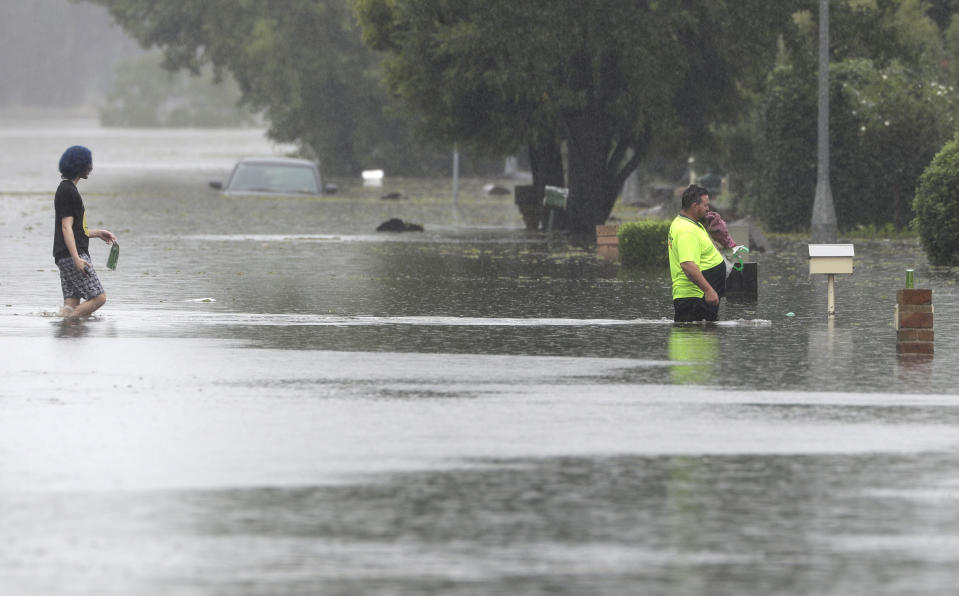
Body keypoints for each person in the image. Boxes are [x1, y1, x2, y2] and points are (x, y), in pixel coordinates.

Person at [53, 145, 117, 318]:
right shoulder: (68, 191)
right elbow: (66, 227)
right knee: (99, 298)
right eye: (88, 163)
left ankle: (68, 335)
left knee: (72, 302)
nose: (91, 167)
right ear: (79, 166)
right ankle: (66, 323)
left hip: (64, 255)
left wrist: (97, 233)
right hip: (72, 255)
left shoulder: (66, 189)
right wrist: (77, 259)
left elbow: (73, 229)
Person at [668, 184, 726, 322]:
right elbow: (687, 265)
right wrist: (708, 290)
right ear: (695, 206)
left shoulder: (690, 223)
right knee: (696, 337)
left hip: (698, 298)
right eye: (705, 205)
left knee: (705, 337)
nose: (708, 209)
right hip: (694, 298)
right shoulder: (687, 231)